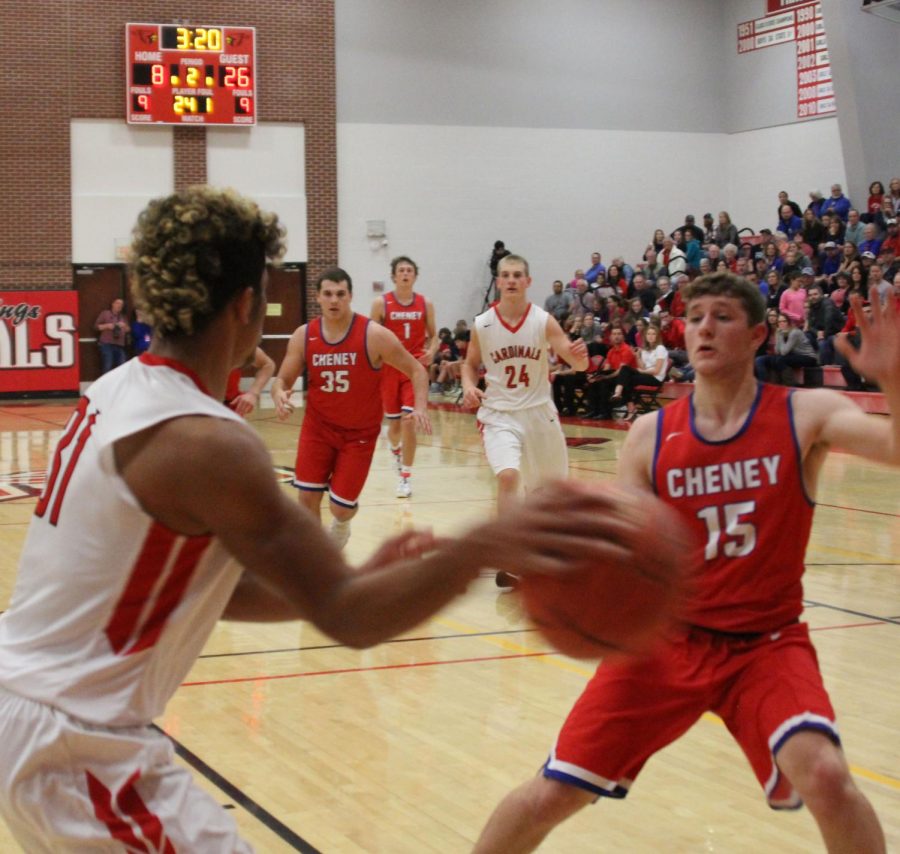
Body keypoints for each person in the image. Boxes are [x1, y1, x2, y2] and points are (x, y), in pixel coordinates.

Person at [0, 186, 647, 853]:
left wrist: (359, 576)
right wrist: (484, 544)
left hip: (38, 715)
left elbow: (201, 589)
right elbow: (351, 617)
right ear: (247, 304)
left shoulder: (116, 391)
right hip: (76, 746)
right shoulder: (206, 443)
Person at [473, 272, 895, 854]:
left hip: (764, 644)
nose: (703, 328)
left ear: (756, 335)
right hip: (663, 641)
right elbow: (618, 549)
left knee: (825, 774)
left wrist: (893, 381)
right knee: (553, 793)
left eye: (721, 316)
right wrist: (560, 571)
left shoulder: (806, 413)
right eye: (695, 317)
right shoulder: (651, 435)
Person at [274, 268, 430, 547]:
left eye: (340, 294)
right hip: (318, 430)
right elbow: (283, 379)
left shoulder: (373, 335)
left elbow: (417, 369)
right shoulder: (304, 335)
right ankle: (318, 558)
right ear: (318, 298)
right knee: (307, 497)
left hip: (358, 434)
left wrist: (419, 407)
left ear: (350, 297)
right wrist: (279, 393)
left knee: (340, 508)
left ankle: (342, 524)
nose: (334, 300)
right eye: (328, 294)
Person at [461, 253, 589, 588]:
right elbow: (469, 363)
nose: (512, 280)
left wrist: (579, 361)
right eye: (506, 275)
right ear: (499, 282)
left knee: (550, 493)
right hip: (500, 414)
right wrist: (468, 385)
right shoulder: (483, 324)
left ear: (528, 281)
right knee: (508, 476)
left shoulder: (543, 321)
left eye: (518, 275)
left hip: (539, 413)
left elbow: (577, 365)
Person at [370, 256, 437, 497]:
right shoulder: (381, 303)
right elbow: (371, 334)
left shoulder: (425, 303)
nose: (405, 274)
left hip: (415, 368)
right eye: (401, 270)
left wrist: (432, 350)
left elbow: (435, 335)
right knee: (395, 425)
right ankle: (395, 450)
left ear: (415, 276)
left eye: (410, 270)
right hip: (389, 368)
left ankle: (406, 477)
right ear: (394, 276)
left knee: (410, 421)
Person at [225, 345, 275, 416]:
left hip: (229, 406)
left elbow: (268, 365)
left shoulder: (237, 343)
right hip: (206, 405)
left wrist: (253, 393)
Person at [94, 297, 129, 374]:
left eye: (121, 304)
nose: (119, 305)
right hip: (107, 344)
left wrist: (124, 326)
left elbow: (128, 330)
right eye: (117, 303)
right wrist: (107, 326)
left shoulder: (123, 317)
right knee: (107, 365)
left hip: (119, 344)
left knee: (122, 365)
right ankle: (105, 384)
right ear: (112, 304)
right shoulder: (105, 313)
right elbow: (96, 327)